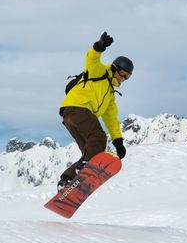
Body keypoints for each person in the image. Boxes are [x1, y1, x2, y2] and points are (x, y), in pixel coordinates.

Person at [57, 32, 133, 191]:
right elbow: (91, 58)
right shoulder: (99, 72)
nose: (123, 79)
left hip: (70, 116)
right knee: (98, 138)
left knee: (91, 151)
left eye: (127, 78)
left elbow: (112, 120)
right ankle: (83, 168)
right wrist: (100, 45)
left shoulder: (110, 96)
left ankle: (66, 181)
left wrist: (118, 142)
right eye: (122, 74)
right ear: (115, 68)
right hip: (78, 107)